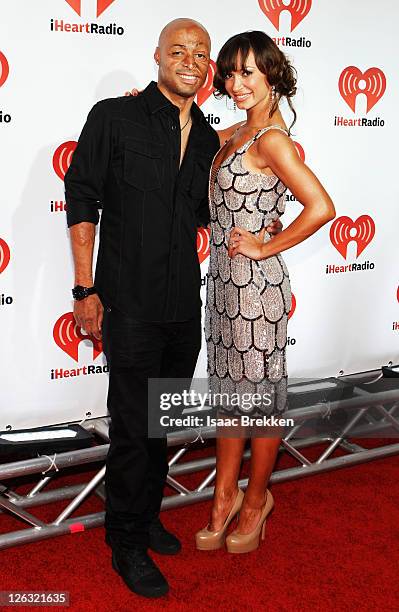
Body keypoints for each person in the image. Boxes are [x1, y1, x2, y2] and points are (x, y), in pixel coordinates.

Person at [65, 18, 281, 598]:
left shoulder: (212, 139)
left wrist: (266, 227)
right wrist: (85, 290)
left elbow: (230, 198)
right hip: (128, 303)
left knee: (160, 423)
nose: (190, 59)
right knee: (134, 427)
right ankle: (125, 540)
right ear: (157, 55)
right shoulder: (114, 117)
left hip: (184, 307)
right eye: (178, 49)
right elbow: (82, 195)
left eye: (200, 53)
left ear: (207, 67)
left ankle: (146, 516)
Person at [195, 30, 336, 553]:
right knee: (231, 398)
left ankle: (256, 500)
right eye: (230, 73)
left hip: (257, 291)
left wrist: (265, 245)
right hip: (224, 288)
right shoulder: (232, 133)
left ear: (272, 76)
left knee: (261, 401)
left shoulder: (271, 139)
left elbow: (322, 207)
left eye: (248, 72)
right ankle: (224, 494)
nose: (236, 83)